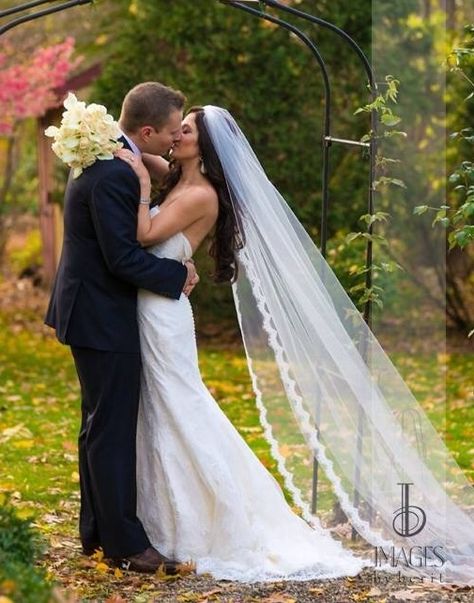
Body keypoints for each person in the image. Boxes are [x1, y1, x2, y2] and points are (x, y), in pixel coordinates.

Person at [117, 105, 474, 585]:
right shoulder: (178, 178)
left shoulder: (200, 194)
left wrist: (139, 187)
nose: (176, 135)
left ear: (206, 146)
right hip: (154, 304)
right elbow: (138, 148)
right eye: (176, 129)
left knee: (179, 408)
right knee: (159, 410)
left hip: (163, 316)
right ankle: (158, 515)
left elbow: (142, 234)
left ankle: (212, 519)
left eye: (187, 131)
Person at [45, 82, 198, 574]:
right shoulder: (115, 173)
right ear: (147, 131)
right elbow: (123, 259)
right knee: (110, 432)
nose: (176, 140)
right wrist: (179, 276)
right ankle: (127, 547)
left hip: (89, 310)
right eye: (173, 132)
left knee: (97, 427)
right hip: (101, 316)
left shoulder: (114, 158)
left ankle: (97, 531)